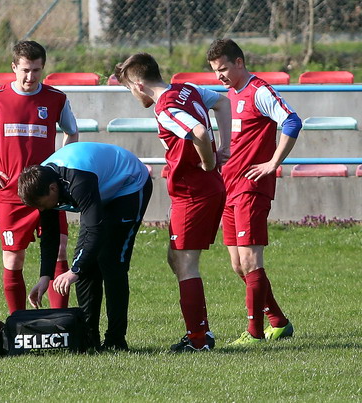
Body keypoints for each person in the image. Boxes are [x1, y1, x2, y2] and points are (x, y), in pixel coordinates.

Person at [114, 53, 233, 352]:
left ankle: (198, 339)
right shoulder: (186, 89)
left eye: (129, 89)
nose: (132, 95)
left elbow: (199, 132)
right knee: (175, 258)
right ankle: (200, 331)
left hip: (194, 192)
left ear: (139, 85)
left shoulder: (165, 107)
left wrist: (209, 162)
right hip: (195, 191)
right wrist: (226, 146)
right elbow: (223, 102)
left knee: (185, 262)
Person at [0, 40, 79, 314]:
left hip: (49, 192)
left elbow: (72, 132)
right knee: (13, 259)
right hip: (11, 192)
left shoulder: (56, 99)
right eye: (25, 70)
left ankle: (59, 319)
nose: (30, 77)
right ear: (14, 67)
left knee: (59, 252)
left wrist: (60, 166)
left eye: (36, 70)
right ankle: (17, 322)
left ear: (43, 68)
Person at [206, 39, 300, 345]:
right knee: (238, 265)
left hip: (251, 187)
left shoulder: (259, 91)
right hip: (229, 186)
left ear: (239, 62)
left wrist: (273, 163)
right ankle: (279, 322)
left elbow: (292, 121)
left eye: (223, 68)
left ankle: (254, 333)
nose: (219, 76)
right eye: (215, 70)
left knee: (251, 262)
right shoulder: (229, 96)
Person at [17, 142, 152, 351]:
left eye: (42, 205)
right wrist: (45, 277)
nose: (42, 210)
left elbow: (96, 229)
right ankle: (89, 339)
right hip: (100, 190)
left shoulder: (77, 180)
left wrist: (75, 271)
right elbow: (50, 235)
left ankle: (116, 340)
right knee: (84, 265)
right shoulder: (43, 184)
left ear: (53, 188)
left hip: (128, 186)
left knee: (111, 261)